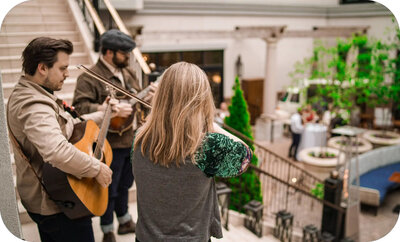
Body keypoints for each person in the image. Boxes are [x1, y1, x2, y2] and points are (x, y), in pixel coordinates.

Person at [7, 37, 113, 242]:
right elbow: (56, 151)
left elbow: (66, 125)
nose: (67, 74)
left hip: (62, 196)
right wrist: (96, 168)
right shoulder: (33, 104)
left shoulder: (37, 91)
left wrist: (104, 114)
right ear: (42, 68)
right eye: (63, 68)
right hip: (57, 204)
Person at [131, 62, 252, 242]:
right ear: (200, 101)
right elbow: (246, 155)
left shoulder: (139, 139)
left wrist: (160, 111)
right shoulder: (207, 147)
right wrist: (210, 123)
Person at [72, 29, 156, 242]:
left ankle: (125, 219)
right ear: (108, 52)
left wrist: (150, 96)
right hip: (110, 142)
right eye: (123, 52)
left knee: (126, 184)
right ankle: (108, 229)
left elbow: (137, 100)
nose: (127, 56)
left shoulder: (127, 72)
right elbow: (79, 108)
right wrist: (105, 109)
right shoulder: (89, 77)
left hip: (131, 139)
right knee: (109, 187)